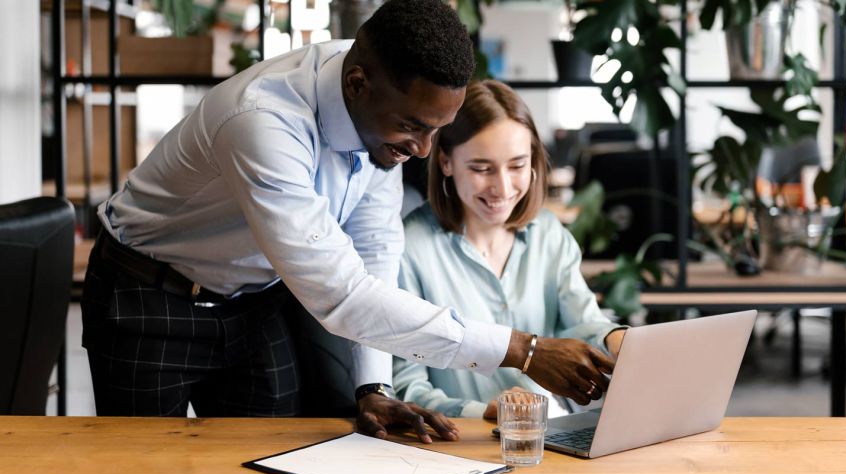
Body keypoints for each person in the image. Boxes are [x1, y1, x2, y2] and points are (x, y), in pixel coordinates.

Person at [81, 0, 613, 443]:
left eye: (438, 130)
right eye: (413, 127)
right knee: (142, 470)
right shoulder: (263, 124)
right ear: (357, 85)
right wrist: (525, 350)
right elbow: (343, 295)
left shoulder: (379, 111)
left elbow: (373, 254)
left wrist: (372, 390)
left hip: (253, 298)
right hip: (150, 295)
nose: (424, 150)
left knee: (270, 468)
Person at [394, 80, 627, 419]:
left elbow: (581, 322)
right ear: (445, 162)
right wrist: (483, 411)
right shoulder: (410, 248)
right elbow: (406, 387)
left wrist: (615, 340)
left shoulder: (547, 234)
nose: (502, 187)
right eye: (481, 168)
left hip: (547, 434)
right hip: (457, 447)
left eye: (517, 166)